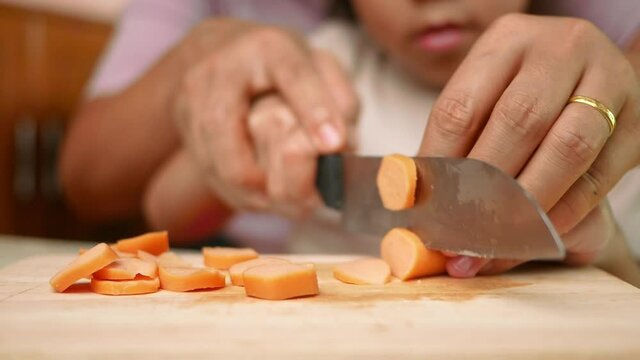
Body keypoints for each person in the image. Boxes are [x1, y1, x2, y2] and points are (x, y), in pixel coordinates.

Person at [60, 0, 640, 282]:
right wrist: (250, 164)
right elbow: (164, 204)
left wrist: (604, 249)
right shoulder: (326, 70)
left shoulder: (590, 104)